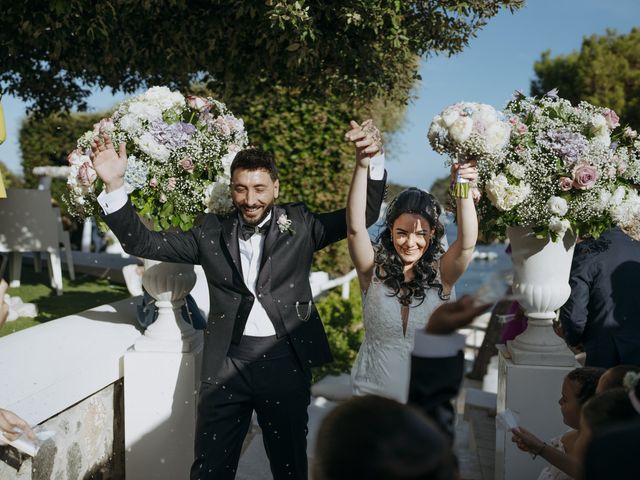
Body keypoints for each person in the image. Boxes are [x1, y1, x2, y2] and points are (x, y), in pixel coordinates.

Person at [90, 123, 387, 480]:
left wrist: (373, 161)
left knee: (289, 467)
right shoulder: (208, 231)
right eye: (241, 189)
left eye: (260, 189)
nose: (250, 200)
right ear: (231, 189)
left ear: (275, 188)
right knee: (210, 469)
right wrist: (113, 185)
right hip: (225, 365)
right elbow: (143, 243)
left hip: (285, 362)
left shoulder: (302, 224)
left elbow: (363, 217)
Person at [346, 138, 478, 403]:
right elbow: (355, 228)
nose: (410, 242)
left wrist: (463, 185)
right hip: (372, 397)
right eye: (402, 233)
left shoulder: (444, 274)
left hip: (428, 399)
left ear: (432, 234)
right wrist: (362, 164)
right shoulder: (372, 270)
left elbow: (466, 242)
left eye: (421, 234)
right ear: (390, 231)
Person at [313, 296, 490, 480]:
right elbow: (431, 429)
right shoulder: (428, 461)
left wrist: (437, 334)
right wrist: (437, 336)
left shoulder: (426, 462)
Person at [559, 226, 640, 368]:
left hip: (604, 352)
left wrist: (573, 337)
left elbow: (575, 313)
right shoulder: (636, 248)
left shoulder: (588, 250)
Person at [510, 367, 604, 480]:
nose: (559, 402)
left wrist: (540, 448)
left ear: (587, 407)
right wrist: (536, 447)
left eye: (565, 399)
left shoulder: (596, 455)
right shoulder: (571, 434)